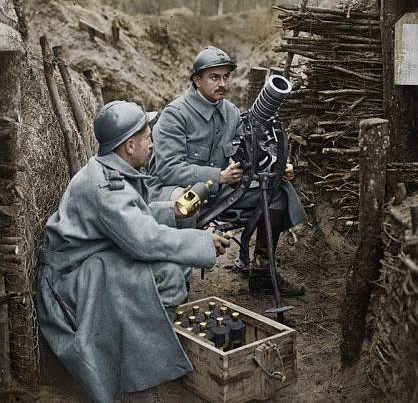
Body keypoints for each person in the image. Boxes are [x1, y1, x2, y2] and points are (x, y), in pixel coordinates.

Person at [36, 100, 229, 403]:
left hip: (91, 259)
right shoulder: (105, 189)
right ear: (129, 145)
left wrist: (173, 214)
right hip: (71, 278)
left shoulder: (112, 170)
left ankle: (146, 355)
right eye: (147, 137)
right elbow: (145, 241)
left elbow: (133, 217)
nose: (151, 144)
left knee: (172, 268)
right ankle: (134, 373)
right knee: (165, 274)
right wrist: (203, 242)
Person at [148, 46, 307, 295]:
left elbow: (250, 152)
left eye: (225, 77)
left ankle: (263, 271)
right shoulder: (175, 115)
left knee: (277, 191)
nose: (222, 83)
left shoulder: (230, 112)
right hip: (173, 193)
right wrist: (218, 176)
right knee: (184, 201)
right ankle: (177, 283)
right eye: (214, 77)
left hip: (217, 193)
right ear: (197, 80)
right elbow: (168, 169)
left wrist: (276, 166)